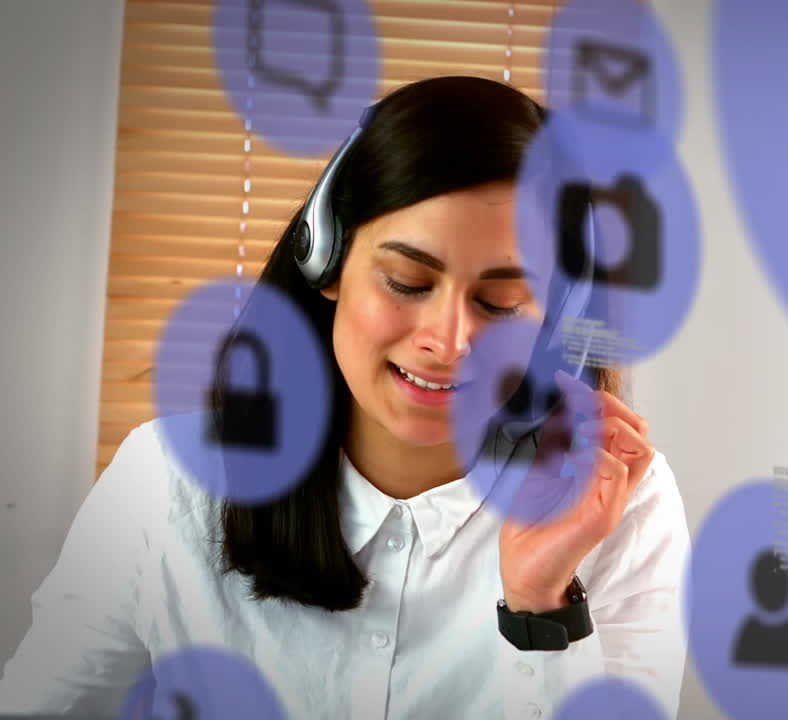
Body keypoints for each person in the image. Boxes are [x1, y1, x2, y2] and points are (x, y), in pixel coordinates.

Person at [0, 76, 690, 719]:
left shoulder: (619, 504)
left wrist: (542, 608)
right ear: (325, 262)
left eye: (500, 303)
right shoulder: (167, 478)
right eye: (406, 282)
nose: (448, 342)